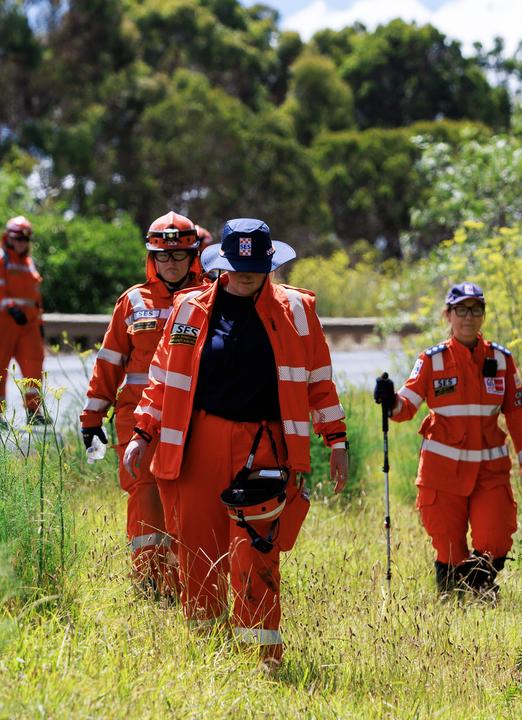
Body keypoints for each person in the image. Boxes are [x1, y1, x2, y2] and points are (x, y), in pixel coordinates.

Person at [123, 217, 349, 671]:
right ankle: (207, 656)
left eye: (254, 265)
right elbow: (162, 380)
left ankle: (262, 658)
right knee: (198, 550)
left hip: (263, 445)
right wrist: (142, 433)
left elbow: (319, 381)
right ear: (221, 264)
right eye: (236, 265)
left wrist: (336, 439)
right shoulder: (190, 309)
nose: (244, 274)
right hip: (196, 441)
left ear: (270, 264)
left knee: (256, 550)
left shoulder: (298, 311)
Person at [375, 281, 522, 599]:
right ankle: (452, 602)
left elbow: (520, 413)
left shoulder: (502, 360)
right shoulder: (431, 360)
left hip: (489, 473)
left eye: (475, 309)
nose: (468, 317)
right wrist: (388, 399)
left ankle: (481, 593)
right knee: (448, 546)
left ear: (483, 314)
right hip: (442, 475)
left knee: (495, 539)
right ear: (448, 315)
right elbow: (404, 407)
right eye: (461, 310)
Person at [80, 211, 205, 598]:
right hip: (135, 421)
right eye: (163, 256)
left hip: (193, 421)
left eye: (179, 255)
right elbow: (110, 361)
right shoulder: (132, 301)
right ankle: (151, 586)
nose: (170, 263)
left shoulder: (211, 296)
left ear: (193, 255)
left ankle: (191, 585)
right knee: (146, 503)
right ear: (152, 258)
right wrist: (92, 416)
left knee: (190, 501)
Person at [0, 215, 48, 427]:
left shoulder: (28, 263)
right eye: (18, 238)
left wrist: (39, 321)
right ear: (8, 238)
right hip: (3, 324)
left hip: (28, 325)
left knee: (34, 366)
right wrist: (11, 308)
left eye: (26, 239)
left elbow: (34, 297)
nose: (22, 243)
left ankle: (34, 411)